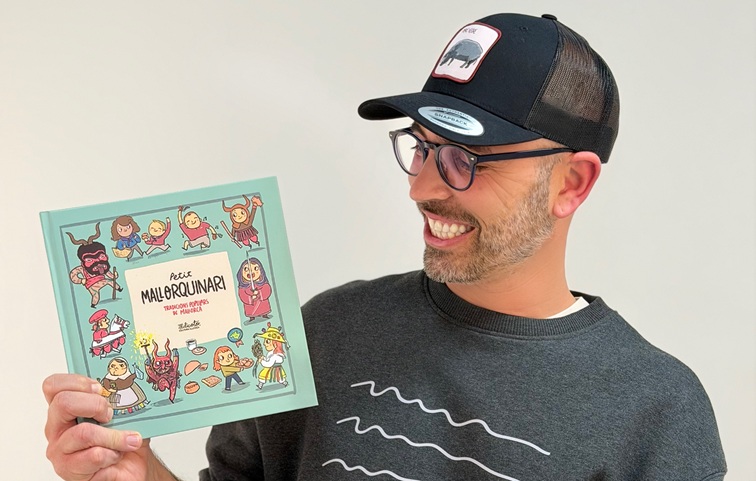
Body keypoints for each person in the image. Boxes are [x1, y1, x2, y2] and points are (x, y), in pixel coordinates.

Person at [42, 12, 727, 481]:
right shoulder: (326, 330)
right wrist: (135, 471)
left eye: (465, 159)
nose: (422, 188)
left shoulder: (657, 412)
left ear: (571, 183)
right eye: (421, 148)